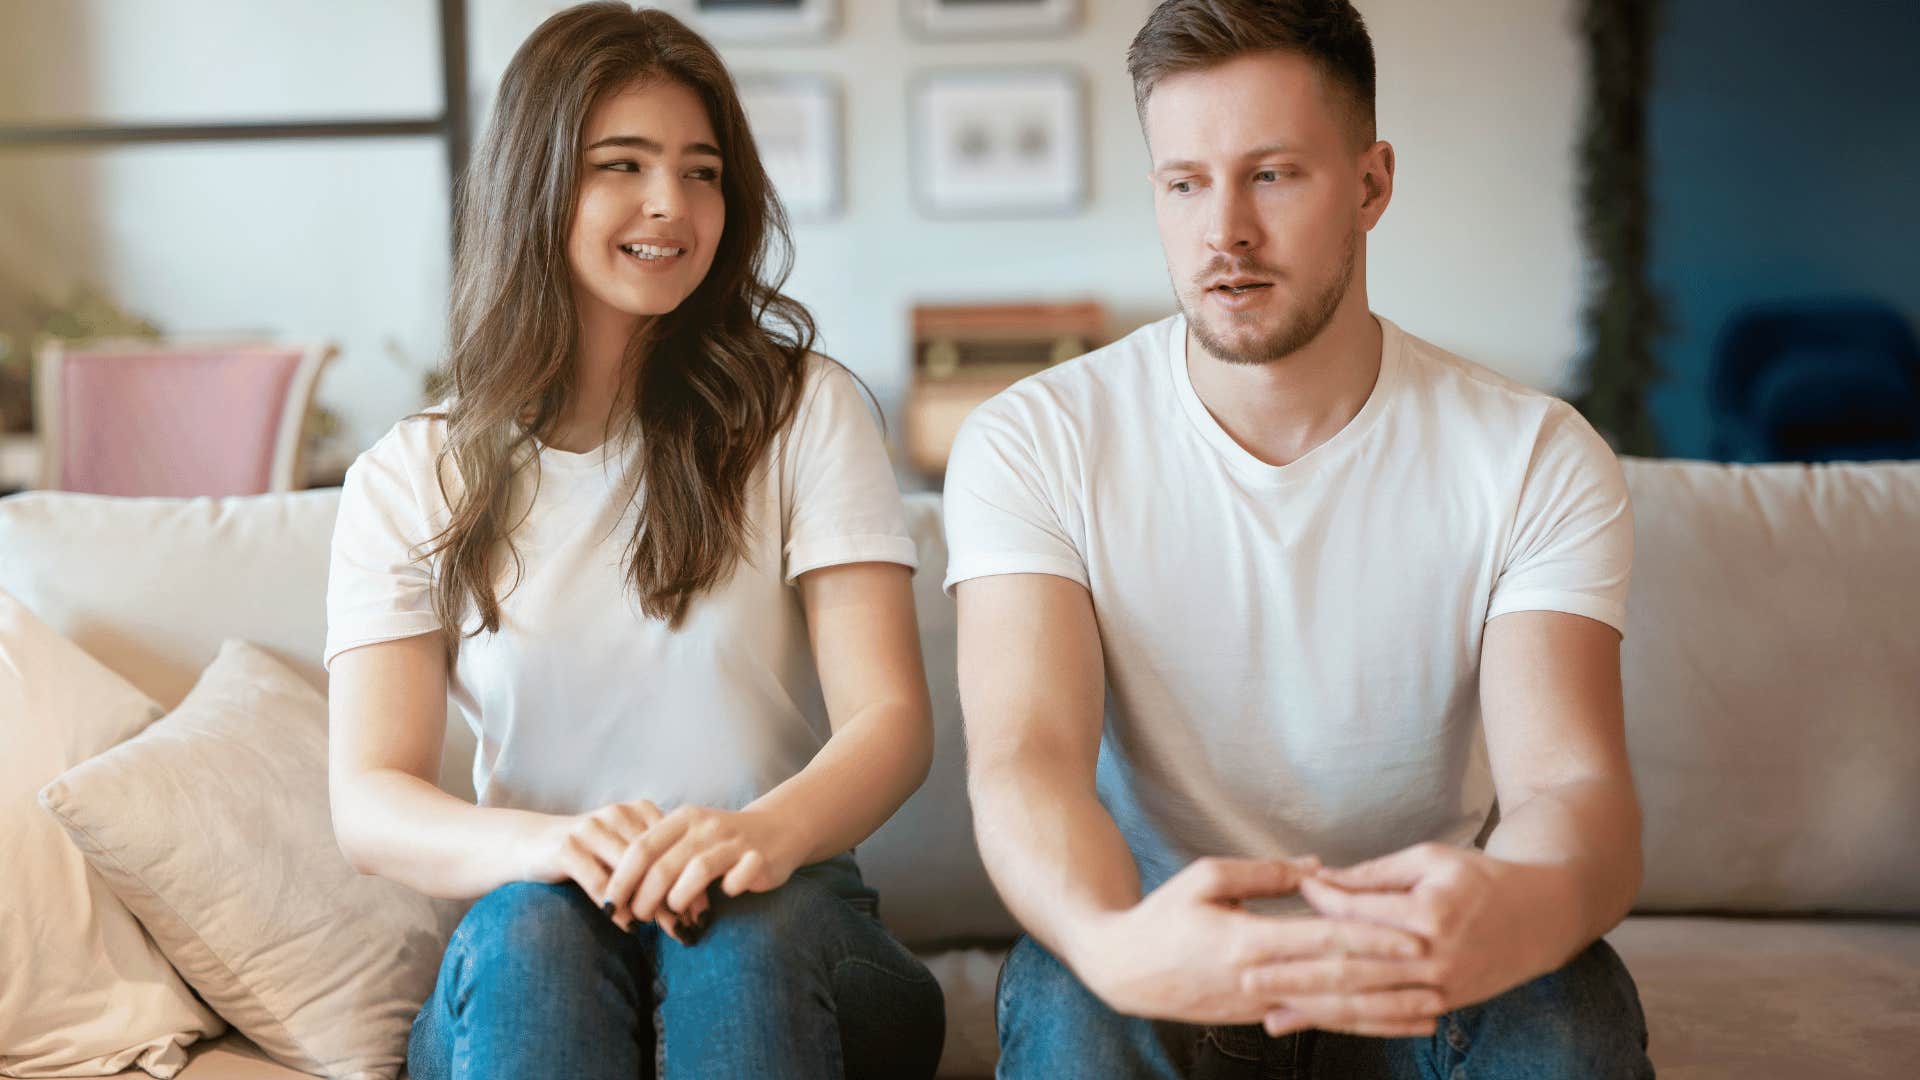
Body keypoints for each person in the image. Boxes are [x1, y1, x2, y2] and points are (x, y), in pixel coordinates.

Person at [944, 1, 1654, 1076]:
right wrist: (1111, 944)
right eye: (1185, 183)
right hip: (1167, 928)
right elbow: (1025, 762)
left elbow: (1573, 791)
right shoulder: (1033, 439)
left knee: (1565, 1003)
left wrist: (1523, 900)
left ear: (1370, 184)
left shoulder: (1532, 454)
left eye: (1272, 174)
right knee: (1075, 995)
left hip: (1420, 944)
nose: (1224, 230)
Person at [323, 5, 944, 1077]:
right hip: (545, 935)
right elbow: (370, 800)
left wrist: (762, 837)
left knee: (742, 929)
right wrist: (551, 847)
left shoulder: (805, 412)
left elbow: (889, 722)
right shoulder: (411, 474)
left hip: (794, 924)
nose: (673, 205)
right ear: (537, 181)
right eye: (625, 164)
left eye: (702, 171)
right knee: (531, 931)